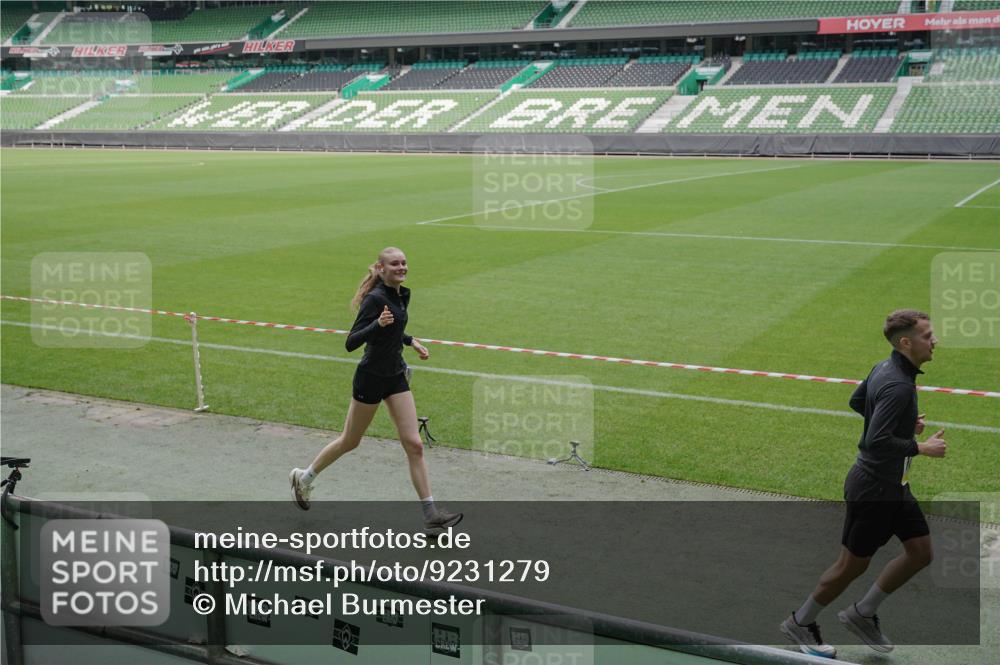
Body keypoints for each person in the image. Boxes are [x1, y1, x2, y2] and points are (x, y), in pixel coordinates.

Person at [780, 309, 947, 658]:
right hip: (872, 489)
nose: (934, 341)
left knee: (920, 552)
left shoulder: (885, 367)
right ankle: (800, 622)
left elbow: (858, 401)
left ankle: (862, 613)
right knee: (850, 566)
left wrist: (902, 423)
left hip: (894, 486)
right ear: (906, 342)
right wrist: (921, 446)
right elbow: (875, 441)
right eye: (927, 335)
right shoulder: (899, 384)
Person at [289, 247, 462, 533]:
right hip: (370, 378)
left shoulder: (402, 294)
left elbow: (394, 327)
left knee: (414, 445)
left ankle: (430, 514)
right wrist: (377, 324)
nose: (401, 267)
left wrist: (410, 341)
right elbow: (351, 342)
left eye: (404, 263)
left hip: (395, 376)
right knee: (350, 441)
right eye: (395, 264)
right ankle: (304, 478)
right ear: (381, 269)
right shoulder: (375, 299)